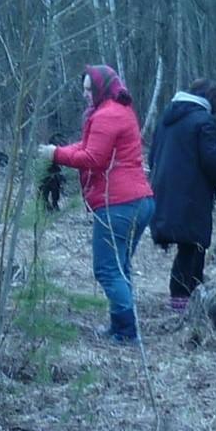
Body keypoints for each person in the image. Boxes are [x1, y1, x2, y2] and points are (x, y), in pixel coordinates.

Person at [38, 65, 155, 346]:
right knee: (120, 265)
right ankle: (121, 325)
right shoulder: (118, 110)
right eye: (85, 90)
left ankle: (127, 332)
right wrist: (59, 152)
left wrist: (55, 154)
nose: (86, 95)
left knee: (106, 269)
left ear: (103, 87)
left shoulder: (107, 114)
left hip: (118, 203)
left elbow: (93, 158)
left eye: (90, 89)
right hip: (138, 201)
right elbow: (88, 146)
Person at [148, 79, 216, 313]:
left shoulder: (166, 119)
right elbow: (212, 161)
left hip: (164, 190)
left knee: (189, 246)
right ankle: (183, 301)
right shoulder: (203, 121)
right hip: (192, 194)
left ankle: (189, 295)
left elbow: (152, 156)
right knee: (194, 245)